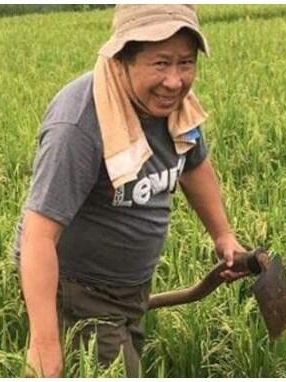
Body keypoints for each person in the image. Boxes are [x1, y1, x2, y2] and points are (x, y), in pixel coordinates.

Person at [14, 5, 247, 377]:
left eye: (186, 63)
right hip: (79, 290)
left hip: (132, 287)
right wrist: (44, 343)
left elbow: (194, 163)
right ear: (122, 59)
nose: (174, 81)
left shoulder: (176, 107)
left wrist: (224, 235)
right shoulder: (79, 125)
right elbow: (38, 235)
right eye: (160, 64)